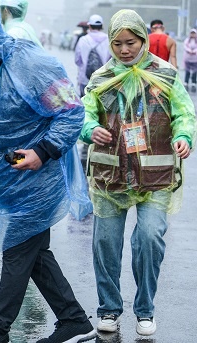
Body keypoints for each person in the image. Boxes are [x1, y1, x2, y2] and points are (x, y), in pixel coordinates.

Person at [0, 2, 96, 342]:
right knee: (34, 253)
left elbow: (71, 111)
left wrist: (43, 151)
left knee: (17, 249)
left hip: (37, 179)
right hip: (5, 180)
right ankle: (75, 321)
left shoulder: (32, 66)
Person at [80, 9, 195, 337]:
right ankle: (109, 309)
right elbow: (85, 112)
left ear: (144, 40)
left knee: (148, 237)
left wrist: (183, 136)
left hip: (154, 175)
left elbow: (185, 113)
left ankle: (145, 309)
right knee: (105, 242)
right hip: (110, 176)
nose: (124, 50)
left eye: (131, 42)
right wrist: (91, 130)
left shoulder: (166, 75)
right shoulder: (101, 78)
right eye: (117, 44)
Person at [74, 14, 110, 97]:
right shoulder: (108, 40)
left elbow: (77, 60)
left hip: (85, 79)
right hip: (103, 80)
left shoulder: (83, 40)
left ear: (89, 26)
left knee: (86, 104)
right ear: (102, 26)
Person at [183, 28, 197, 92]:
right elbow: (185, 46)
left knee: (194, 71)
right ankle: (186, 82)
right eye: (192, 33)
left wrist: (194, 51)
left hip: (195, 59)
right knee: (187, 71)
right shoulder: (187, 40)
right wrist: (189, 50)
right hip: (187, 58)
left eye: (194, 33)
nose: (193, 34)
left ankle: (194, 82)